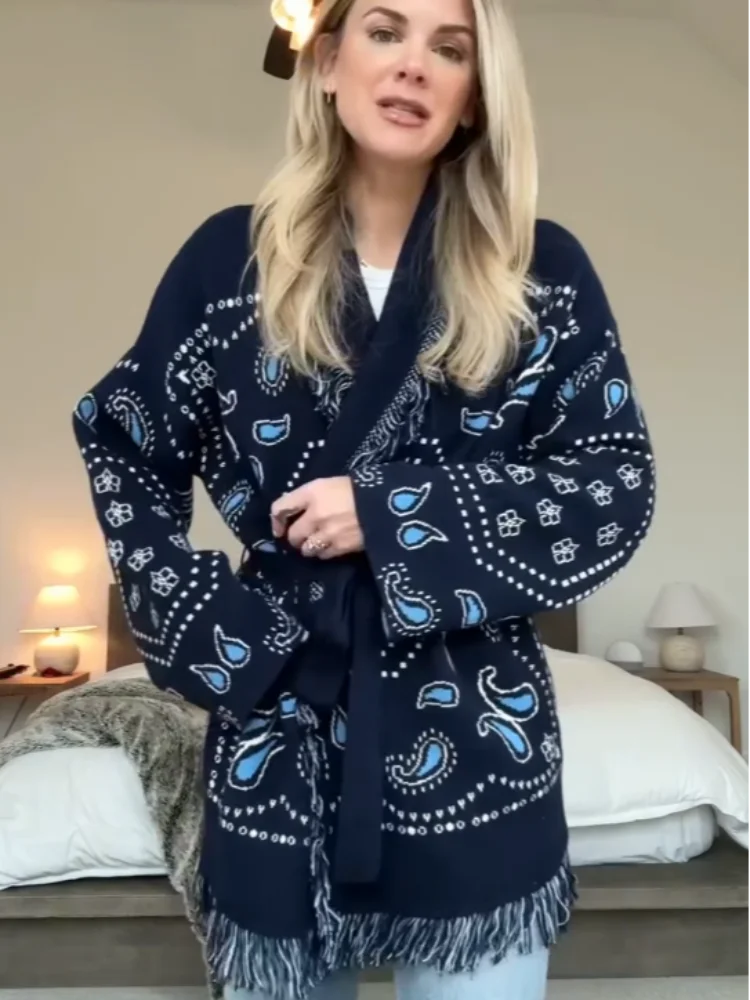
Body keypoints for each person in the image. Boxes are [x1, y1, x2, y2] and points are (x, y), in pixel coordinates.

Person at [73, 0, 655, 997]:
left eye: (451, 48)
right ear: (331, 61)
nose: (414, 66)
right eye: (385, 31)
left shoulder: (539, 272)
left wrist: (391, 519)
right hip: (283, 732)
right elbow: (122, 439)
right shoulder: (230, 262)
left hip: (477, 738)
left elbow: (612, 484)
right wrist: (224, 633)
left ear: (476, 96)